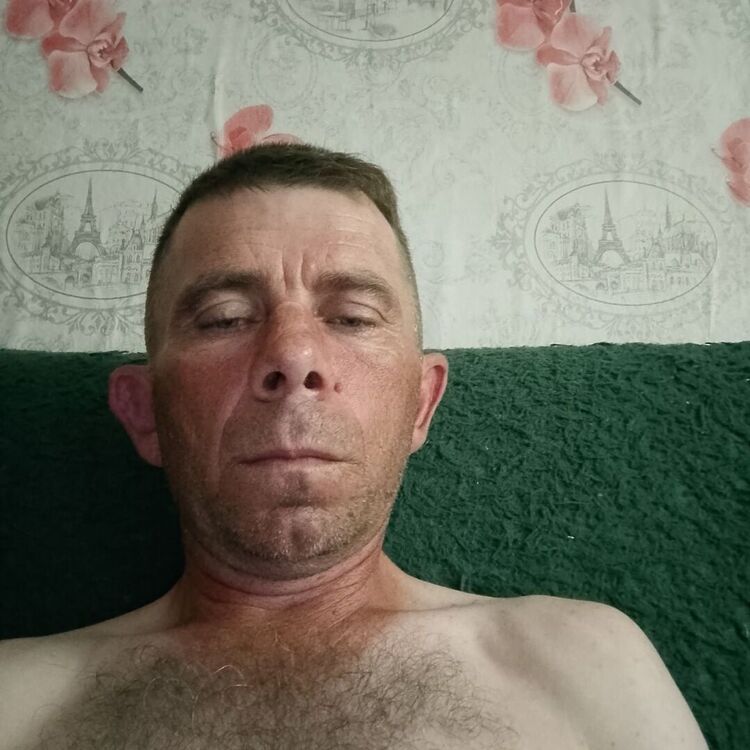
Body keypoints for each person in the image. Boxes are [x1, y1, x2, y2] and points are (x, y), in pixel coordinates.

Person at [0, 144, 709, 750]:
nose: (294, 355)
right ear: (145, 412)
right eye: (224, 318)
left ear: (421, 404)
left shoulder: (584, 662)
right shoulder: (15, 697)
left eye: (352, 316)